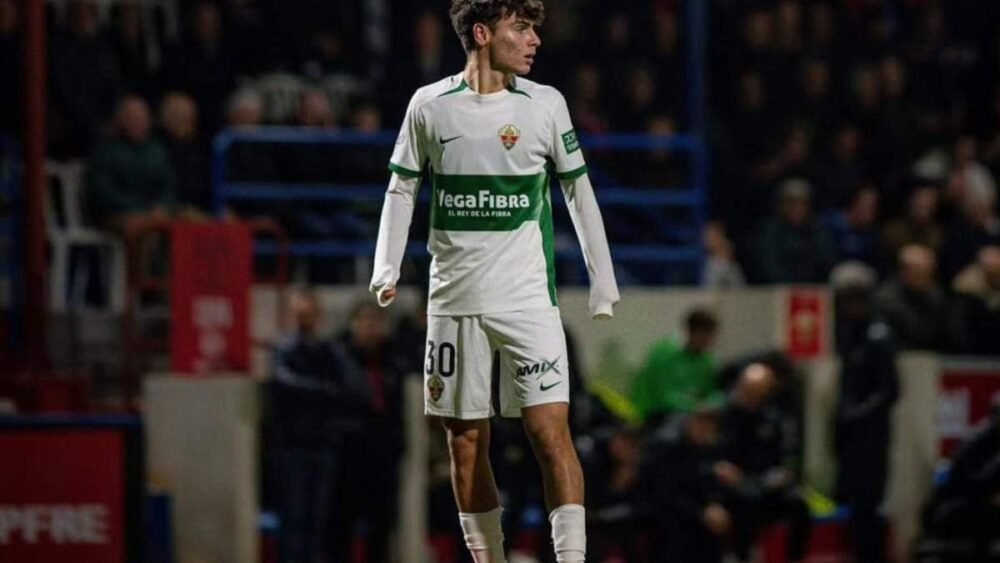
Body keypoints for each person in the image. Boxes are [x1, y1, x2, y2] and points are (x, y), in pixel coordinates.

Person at [370, 2, 620, 561]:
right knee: (464, 442)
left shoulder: (546, 104)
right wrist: (386, 266)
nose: (534, 40)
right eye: (521, 28)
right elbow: (401, 187)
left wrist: (602, 277)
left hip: (528, 300)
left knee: (550, 432)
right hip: (454, 301)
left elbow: (578, 191)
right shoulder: (429, 105)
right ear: (482, 34)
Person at [266, 287, 370, 563]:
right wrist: (323, 392)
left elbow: (353, 386)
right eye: (300, 313)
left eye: (310, 313)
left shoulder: (328, 350)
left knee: (318, 519)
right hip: (293, 446)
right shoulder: (284, 349)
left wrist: (324, 395)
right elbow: (285, 386)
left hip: (323, 444)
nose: (305, 318)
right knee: (294, 516)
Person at [831, 262, 899, 563]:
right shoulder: (851, 335)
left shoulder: (878, 337)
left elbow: (889, 391)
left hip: (871, 437)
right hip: (850, 436)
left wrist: (857, 414)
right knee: (854, 505)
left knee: (869, 505)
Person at [717, 363, 812, 563]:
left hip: (768, 479)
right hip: (737, 481)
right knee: (746, 500)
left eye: (760, 391)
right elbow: (712, 452)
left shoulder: (774, 414)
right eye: (750, 390)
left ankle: (794, 557)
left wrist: (785, 471)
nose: (754, 395)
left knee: (799, 503)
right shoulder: (724, 414)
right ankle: (743, 555)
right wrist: (721, 466)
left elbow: (788, 452)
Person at [630, 307, 720, 426]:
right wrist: (695, 406)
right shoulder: (664, 352)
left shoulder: (706, 360)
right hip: (655, 413)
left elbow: (710, 391)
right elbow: (662, 395)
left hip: (688, 414)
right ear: (692, 332)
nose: (710, 342)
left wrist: (714, 403)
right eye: (706, 336)